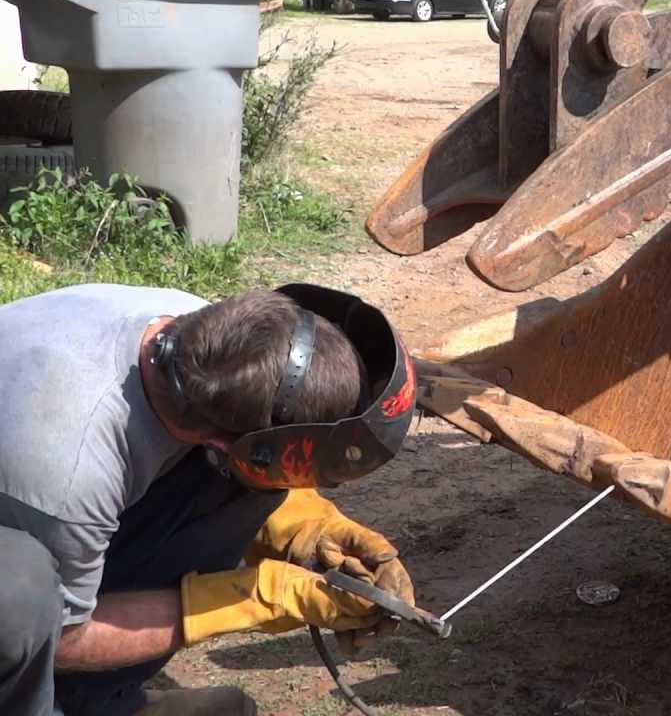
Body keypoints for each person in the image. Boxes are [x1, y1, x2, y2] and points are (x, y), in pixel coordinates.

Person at [0, 282, 420, 716]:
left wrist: (307, 528)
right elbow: (62, 641)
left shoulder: (198, 333)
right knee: (23, 600)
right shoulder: (71, 476)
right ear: (223, 440)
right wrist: (252, 599)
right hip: (18, 581)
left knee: (250, 472)